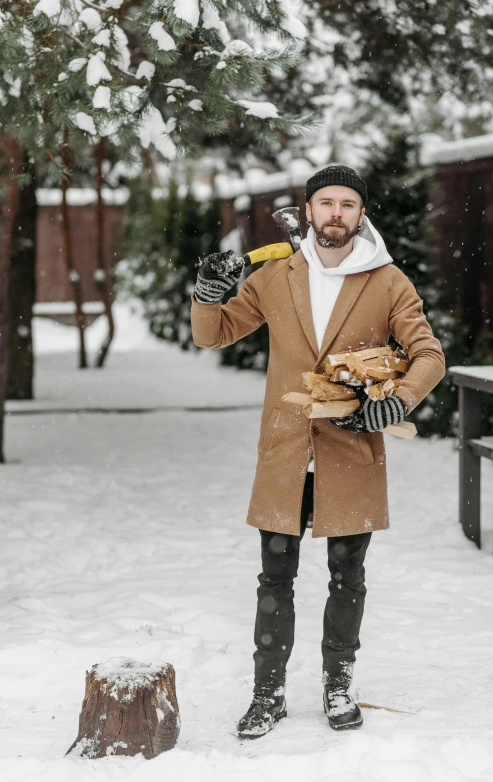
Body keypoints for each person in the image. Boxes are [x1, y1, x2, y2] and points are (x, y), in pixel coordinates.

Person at [190, 165, 445, 738]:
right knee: (274, 578)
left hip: (351, 452)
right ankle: (268, 694)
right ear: (308, 211)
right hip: (284, 451)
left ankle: (337, 688)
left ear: (361, 215)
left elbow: (429, 354)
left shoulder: (387, 281)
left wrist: (397, 401)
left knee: (347, 578)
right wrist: (209, 294)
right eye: (325, 202)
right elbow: (215, 332)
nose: (335, 213)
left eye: (347, 204)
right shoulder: (278, 274)